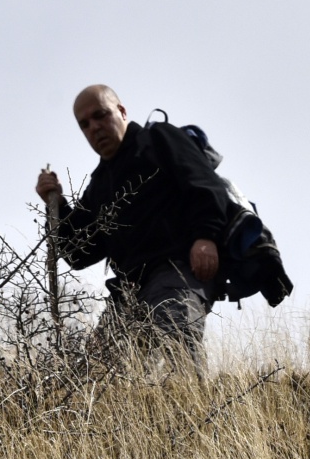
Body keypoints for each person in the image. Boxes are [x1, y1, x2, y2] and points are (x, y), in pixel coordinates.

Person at [35, 84, 233, 375]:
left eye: (100, 115)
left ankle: (196, 404)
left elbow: (205, 185)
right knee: (99, 374)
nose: (94, 127)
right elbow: (78, 253)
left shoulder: (159, 139)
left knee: (178, 351)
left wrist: (206, 236)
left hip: (176, 271)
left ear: (122, 111)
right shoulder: (100, 184)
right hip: (128, 290)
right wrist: (58, 205)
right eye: (85, 124)